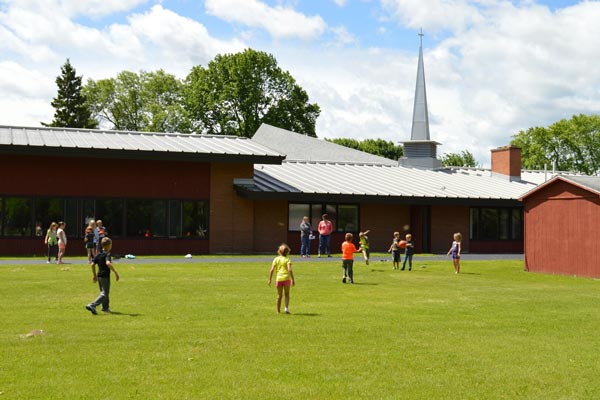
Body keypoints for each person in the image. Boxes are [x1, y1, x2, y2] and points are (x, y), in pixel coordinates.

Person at [86, 237, 120, 314]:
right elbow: (108, 263)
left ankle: (105, 308)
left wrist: (94, 275)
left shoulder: (98, 255)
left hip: (99, 276)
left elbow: (92, 264)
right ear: (108, 246)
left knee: (104, 292)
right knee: (105, 293)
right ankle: (92, 305)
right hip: (105, 276)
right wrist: (115, 272)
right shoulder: (107, 254)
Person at [268, 243, 295, 314]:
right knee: (287, 294)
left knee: (279, 295)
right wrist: (292, 279)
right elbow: (289, 270)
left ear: (279, 251)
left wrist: (270, 279)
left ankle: (278, 311)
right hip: (286, 278)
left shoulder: (276, 259)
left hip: (279, 279)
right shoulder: (287, 259)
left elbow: (272, 270)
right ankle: (286, 308)